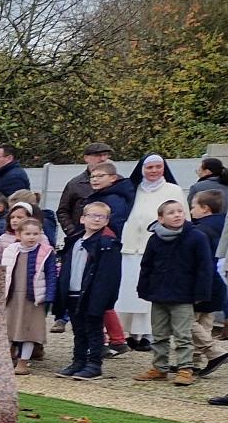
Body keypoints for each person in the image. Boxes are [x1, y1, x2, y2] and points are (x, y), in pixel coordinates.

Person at [134, 199, 215, 387]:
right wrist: (144, 288)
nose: (177, 215)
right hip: (159, 293)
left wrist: (201, 293)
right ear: (161, 219)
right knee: (159, 334)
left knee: (183, 335)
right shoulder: (155, 239)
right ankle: (160, 368)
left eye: (180, 211)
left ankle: (185, 368)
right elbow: (147, 266)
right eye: (171, 212)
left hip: (183, 295)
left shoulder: (196, 237)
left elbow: (204, 267)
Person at [119, 154, 183, 351]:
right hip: (130, 247)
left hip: (159, 247)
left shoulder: (173, 190)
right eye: (149, 167)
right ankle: (129, 334)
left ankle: (149, 334)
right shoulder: (132, 189)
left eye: (158, 167)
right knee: (129, 292)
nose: (154, 171)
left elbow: (182, 217)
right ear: (142, 169)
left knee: (150, 293)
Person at [54, 201, 124, 380]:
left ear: (107, 221)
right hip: (73, 292)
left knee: (94, 329)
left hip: (92, 294)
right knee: (78, 330)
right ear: (82, 218)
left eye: (102, 217)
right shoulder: (74, 241)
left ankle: (94, 364)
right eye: (92, 215)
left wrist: (102, 298)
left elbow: (109, 276)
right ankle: (78, 361)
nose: (96, 219)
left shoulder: (108, 243)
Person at [85, 162, 137, 356]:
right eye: (92, 176)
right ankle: (116, 339)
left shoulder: (114, 198)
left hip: (104, 249)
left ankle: (105, 341)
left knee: (98, 297)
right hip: (99, 246)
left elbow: (115, 225)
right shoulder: (102, 196)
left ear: (113, 178)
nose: (95, 179)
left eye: (100, 176)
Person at [0, 217, 59, 375]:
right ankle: (6, 359)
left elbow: (51, 274)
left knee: (30, 331)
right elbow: (2, 273)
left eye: (35, 233)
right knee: (8, 329)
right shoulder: (10, 250)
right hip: (12, 297)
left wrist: (50, 295)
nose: (32, 237)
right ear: (19, 234)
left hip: (34, 299)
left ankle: (23, 362)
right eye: (27, 233)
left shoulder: (46, 252)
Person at [183, 190, 228, 377]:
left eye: (193, 206)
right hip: (218, 283)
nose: (191, 210)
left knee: (186, 321)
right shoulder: (222, 225)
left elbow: (199, 262)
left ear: (205, 209)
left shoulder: (200, 231)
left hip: (202, 283)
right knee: (204, 324)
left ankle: (215, 352)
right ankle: (193, 361)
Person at [58, 142, 116, 237]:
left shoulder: (117, 182)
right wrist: (72, 232)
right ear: (86, 158)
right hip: (82, 235)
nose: (102, 159)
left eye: (105, 155)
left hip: (111, 237)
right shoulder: (75, 184)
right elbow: (63, 211)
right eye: (97, 155)